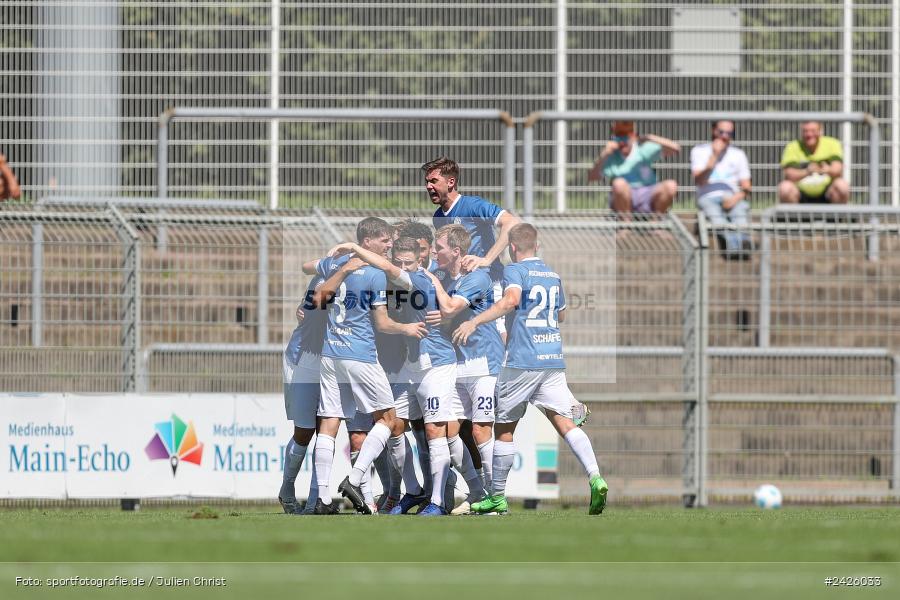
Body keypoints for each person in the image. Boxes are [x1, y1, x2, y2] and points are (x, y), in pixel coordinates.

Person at [453, 223, 608, 516]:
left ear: (512, 248)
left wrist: (476, 321)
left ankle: (497, 497)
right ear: (536, 245)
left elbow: (510, 301)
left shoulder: (515, 271)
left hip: (522, 361)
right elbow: (560, 313)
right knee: (564, 423)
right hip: (552, 359)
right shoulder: (552, 274)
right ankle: (595, 477)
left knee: (504, 430)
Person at [328, 236, 484, 516]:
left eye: (408, 263)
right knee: (393, 424)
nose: (403, 266)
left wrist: (354, 248)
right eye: (399, 262)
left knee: (437, 431)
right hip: (410, 367)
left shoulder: (420, 279)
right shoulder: (405, 281)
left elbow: (388, 271)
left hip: (436, 365)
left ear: (420, 261)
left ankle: (439, 500)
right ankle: (409, 490)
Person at [302, 217, 426, 515]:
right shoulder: (374, 274)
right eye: (385, 241)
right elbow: (382, 324)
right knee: (388, 419)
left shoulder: (337, 264)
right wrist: (406, 329)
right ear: (367, 240)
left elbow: (309, 271)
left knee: (329, 423)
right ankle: (355, 480)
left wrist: (338, 264)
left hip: (332, 356)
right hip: (360, 356)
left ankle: (322, 499)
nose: (389, 245)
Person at [425, 224, 504, 514]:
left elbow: (448, 309)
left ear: (457, 251)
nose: (435, 252)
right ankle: (477, 491)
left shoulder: (477, 277)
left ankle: (497, 499)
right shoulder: (445, 276)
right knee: (448, 432)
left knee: (481, 431)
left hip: (484, 364)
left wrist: (432, 279)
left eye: (440, 248)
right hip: (457, 364)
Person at [279, 277, 326, 514]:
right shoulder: (327, 274)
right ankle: (287, 490)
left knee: (327, 430)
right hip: (304, 359)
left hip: (336, 362)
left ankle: (315, 502)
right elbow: (309, 306)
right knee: (304, 431)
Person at [588, 121, 680, 214]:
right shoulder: (611, 155)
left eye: (626, 136)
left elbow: (675, 148)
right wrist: (604, 154)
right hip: (625, 198)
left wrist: (650, 138)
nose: (622, 140)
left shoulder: (642, 149)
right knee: (619, 184)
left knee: (671, 185)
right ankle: (625, 224)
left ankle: (655, 223)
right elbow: (592, 177)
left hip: (648, 193)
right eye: (619, 135)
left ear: (633, 136)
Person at [691, 120, 753, 256]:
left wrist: (735, 198)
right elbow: (699, 180)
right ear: (714, 131)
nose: (725, 136)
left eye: (729, 133)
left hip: (732, 196)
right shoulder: (699, 151)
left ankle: (743, 244)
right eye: (721, 132)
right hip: (707, 196)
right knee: (717, 218)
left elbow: (747, 186)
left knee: (740, 214)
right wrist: (714, 156)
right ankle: (736, 249)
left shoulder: (738, 154)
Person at [777, 121, 849, 204]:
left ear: (821, 131)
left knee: (842, 185)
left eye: (813, 131)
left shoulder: (832, 144)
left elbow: (838, 169)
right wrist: (807, 171)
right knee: (785, 187)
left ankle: (837, 216)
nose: (809, 135)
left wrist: (826, 170)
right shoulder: (793, 146)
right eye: (805, 131)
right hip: (800, 194)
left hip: (827, 194)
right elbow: (789, 174)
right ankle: (792, 217)